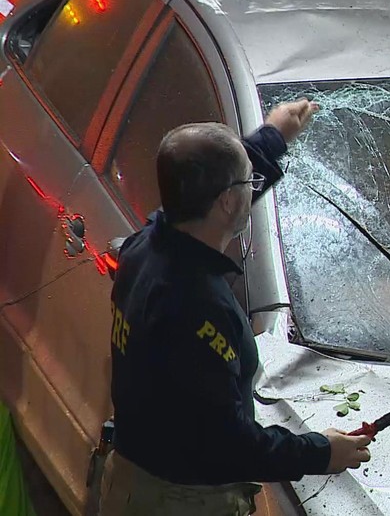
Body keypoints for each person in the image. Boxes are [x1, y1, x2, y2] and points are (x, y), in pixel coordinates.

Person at [99, 100, 372, 515]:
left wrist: (272, 138)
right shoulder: (196, 307)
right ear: (226, 201)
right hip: (181, 503)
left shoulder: (147, 246)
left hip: (134, 483)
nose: (254, 186)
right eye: (250, 182)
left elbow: (217, 183)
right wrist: (321, 453)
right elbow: (229, 443)